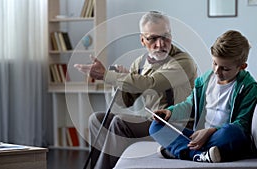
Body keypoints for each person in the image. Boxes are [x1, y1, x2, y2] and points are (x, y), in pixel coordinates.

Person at [74, 11, 197, 169]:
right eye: (153, 38)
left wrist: (107, 75)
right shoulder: (140, 63)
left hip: (175, 125)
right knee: (96, 119)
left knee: (120, 123)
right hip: (151, 121)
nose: (160, 44)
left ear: (171, 35)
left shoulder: (183, 61)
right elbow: (125, 102)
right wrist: (119, 80)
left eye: (165, 36)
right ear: (142, 40)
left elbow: (150, 83)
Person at [149, 30, 257, 163]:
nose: (217, 71)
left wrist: (209, 132)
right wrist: (169, 112)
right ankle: (198, 154)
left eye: (225, 69)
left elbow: (242, 124)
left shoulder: (248, 86)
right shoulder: (205, 80)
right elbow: (190, 105)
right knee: (156, 127)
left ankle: (179, 150)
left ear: (242, 67)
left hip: (219, 136)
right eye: (214, 63)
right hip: (198, 135)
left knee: (232, 132)